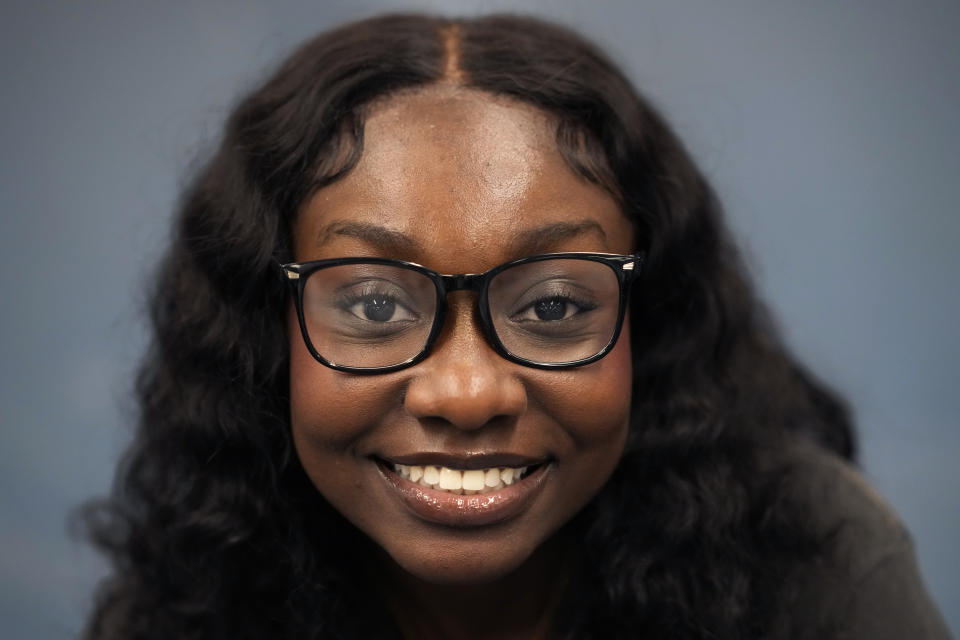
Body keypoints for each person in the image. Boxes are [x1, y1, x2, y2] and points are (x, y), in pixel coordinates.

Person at [82, 13, 950, 640]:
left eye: (555, 306)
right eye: (376, 304)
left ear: (651, 323)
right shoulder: (189, 597)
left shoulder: (817, 574)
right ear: (264, 337)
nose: (467, 392)